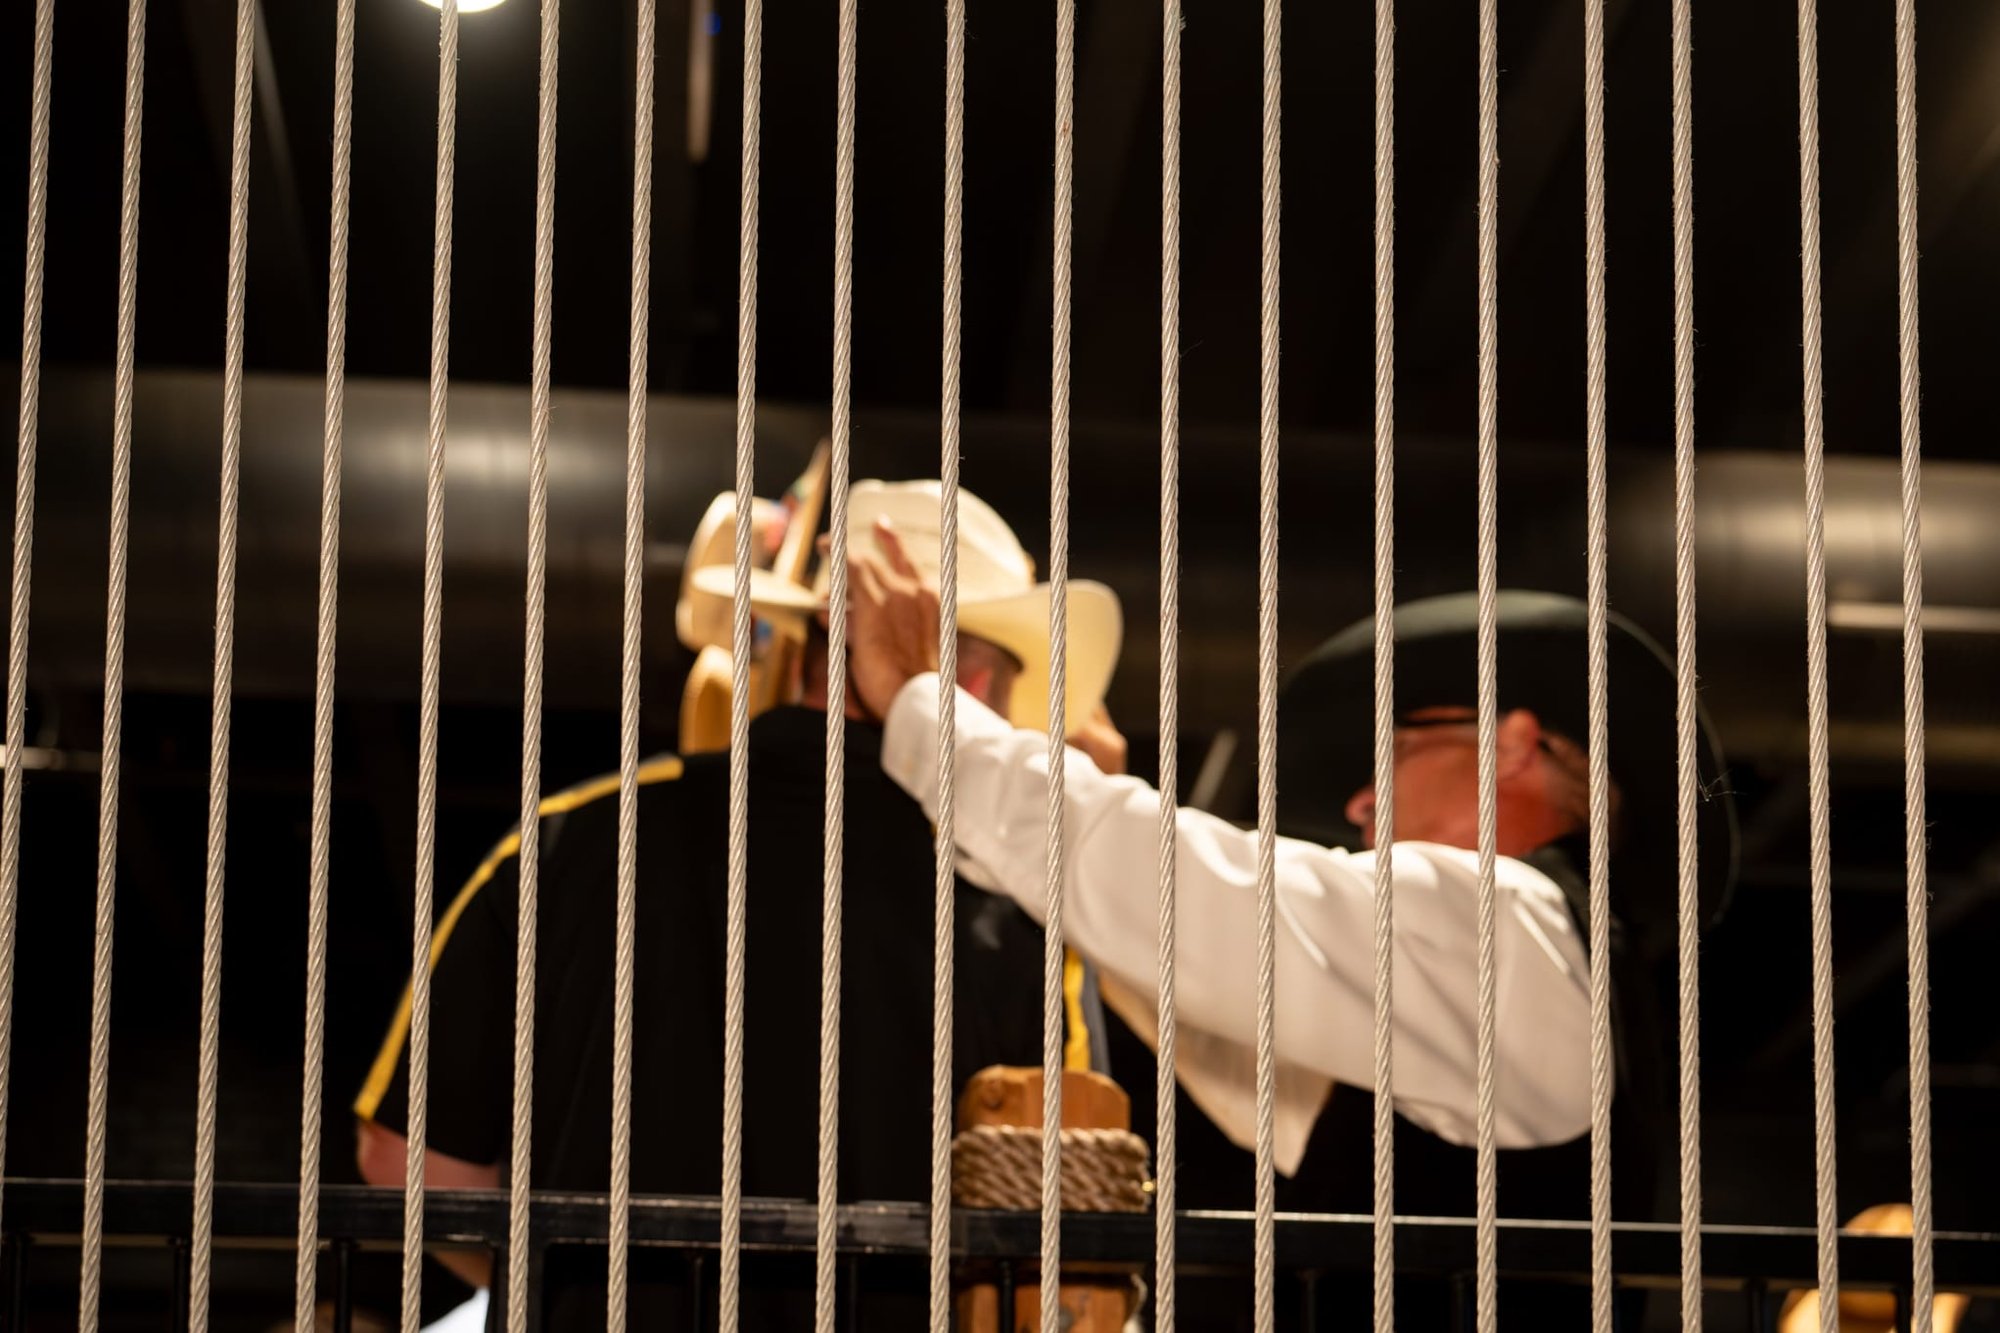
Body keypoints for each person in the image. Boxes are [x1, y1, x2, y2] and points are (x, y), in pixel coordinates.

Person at [845, 521, 1738, 1325]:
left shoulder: (1507, 927)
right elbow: (1211, 1002)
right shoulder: (1547, 971)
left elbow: (1203, 905)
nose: (1359, 800)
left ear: (1509, 743)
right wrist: (1058, 800)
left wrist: (933, 713)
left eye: (1395, 753)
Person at [351, 479, 1124, 1329]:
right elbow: (1073, 1224)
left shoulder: (565, 840)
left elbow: (403, 1155)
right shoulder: (1023, 909)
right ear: (973, 683)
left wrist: (550, 1281)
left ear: (802, 645)